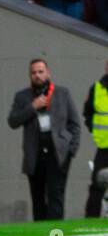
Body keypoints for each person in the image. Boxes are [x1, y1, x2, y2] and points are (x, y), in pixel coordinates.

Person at [7, 58, 80, 221]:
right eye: (33, 73)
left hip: (58, 153)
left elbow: (74, 124)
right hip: (35, 153)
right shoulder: (22, 97)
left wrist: (71, 150)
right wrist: (33, 107)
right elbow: (13, 121)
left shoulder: (62, 93)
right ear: (30, 76)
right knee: (38, 198)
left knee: (56, 197)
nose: (37, 75)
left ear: (48, 73)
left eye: (40, 72)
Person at [83, 60, 108, 218]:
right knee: (97, 185)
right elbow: (88, 113)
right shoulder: (96, 88)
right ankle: (90, 221)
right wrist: (94, 130)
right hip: (104, 146)